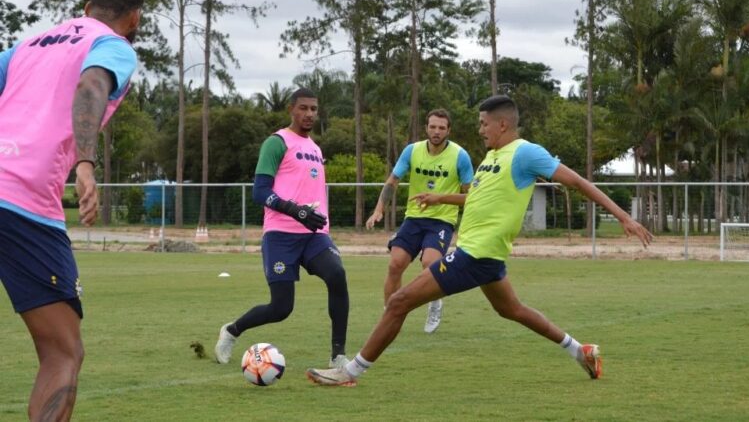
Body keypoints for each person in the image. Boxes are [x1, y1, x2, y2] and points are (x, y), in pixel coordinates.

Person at [306, 95, 653, 386]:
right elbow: (476, 200)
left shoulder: (525, 153)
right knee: (512, 310)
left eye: (484, 123)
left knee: (398, 302)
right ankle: (581, 350)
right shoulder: (491, 158)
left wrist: (623, 216)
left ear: (502, 124)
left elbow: (576, 181)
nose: (480, 129)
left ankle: (349, 373)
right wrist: (441, 199)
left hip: (475, 254)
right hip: (481, 254)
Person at [0, 0, 142, 419]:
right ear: (134, 17)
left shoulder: (27, 45)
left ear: (85, 6)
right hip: (21, 203)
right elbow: (91, 86)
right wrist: (85, 163)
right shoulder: (113, 45)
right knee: (63, 352)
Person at [215, 88, 350, 368]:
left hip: (314, 235)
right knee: (281, 308)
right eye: (303, 108)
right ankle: (231, 331)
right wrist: (295, 210)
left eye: (314, 109)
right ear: (291, 109)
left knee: (337, 275)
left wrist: (312, 217)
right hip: (281, 235)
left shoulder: (315, 148)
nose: (309, 114)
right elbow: (259, 192)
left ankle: (338, 356)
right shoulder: (277, 142)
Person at [365, 109, 473, 333]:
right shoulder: (412, 151)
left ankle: (435, 302)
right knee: (395, 264)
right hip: (413, 219)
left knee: (430, 264)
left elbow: (470, 196)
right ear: (426, 128)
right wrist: (379, 209)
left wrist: (441, 199)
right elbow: (393, 181)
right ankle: (389, 315)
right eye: (432, 126)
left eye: (441, 128)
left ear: (448, 130)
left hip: (442, 221)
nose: (436, 131)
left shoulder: (460, 156)